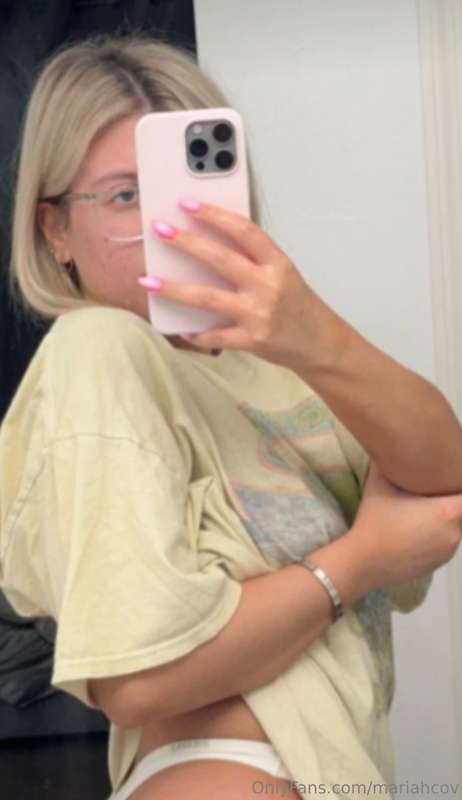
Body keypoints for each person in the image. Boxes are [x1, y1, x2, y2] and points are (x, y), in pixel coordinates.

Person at [1, 34, 462, 800]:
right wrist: (361, 559)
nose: (166, 225)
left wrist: (315, 336)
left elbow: (444, 478)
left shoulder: (283, 364)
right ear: (55, 231)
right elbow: (137, 684)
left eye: (186, 188)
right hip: (216, 769)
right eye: (124, 196)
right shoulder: (97, 351)